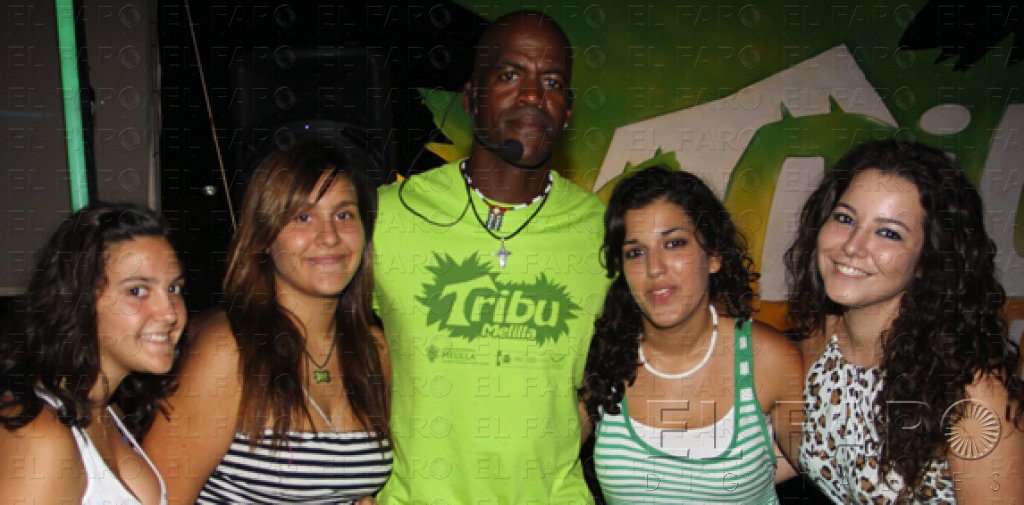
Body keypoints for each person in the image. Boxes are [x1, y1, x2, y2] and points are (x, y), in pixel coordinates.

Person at [373, 10, 608, 502]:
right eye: (509, 75)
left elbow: (640, 360)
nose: (532, 95)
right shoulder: (388, 216)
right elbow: (303, 338)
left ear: (568, 110)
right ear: (471, 97)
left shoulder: (603, 232)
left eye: (552, 81)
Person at [143, 142, 391, 504]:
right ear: (263, 237)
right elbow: (160, 498)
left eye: (344, 215)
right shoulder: (230, 352)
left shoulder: (373, 350)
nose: (330, 236)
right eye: (303, 217)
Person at [785, 139, 1024, 503]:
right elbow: (798, 454)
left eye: (889, 233)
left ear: (929, 259)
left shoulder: (972, 394)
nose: (852, 246)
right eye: (845, 218)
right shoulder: (821, 338)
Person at [581, 166, 803, 504]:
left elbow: (825, 464)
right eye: (635, 252)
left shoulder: (768, 358)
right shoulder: (604, 359)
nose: (655, 268)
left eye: (674, 244)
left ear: (713, 255)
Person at [1, 203, 184, 504]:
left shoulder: (107, 412)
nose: (169, 313)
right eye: (137, 291)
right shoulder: (39, 435)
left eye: (174, 289)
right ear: (78, 301)